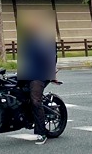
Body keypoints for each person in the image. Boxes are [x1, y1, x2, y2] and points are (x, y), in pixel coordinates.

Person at [17, 11, 58, 145]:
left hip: (40, 74)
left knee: (35, 101)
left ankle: (41, 133)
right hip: (27, 73)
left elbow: (51, 58)